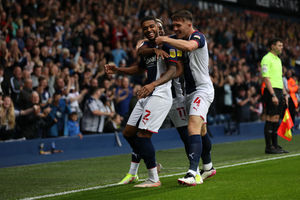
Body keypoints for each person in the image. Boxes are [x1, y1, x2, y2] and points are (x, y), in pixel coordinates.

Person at [121, 18, 215, 186]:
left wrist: (158, 44)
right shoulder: (162, 43)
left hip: (179, 95)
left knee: (191, 132)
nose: (173, 30)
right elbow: (142, 49)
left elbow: (176, 68)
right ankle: (206, 166)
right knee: (196, 130)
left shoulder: (179, 41)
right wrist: (144, 44)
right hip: (173, 96)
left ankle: (196, 170)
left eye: (157, 27)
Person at [105, 16, 177, 187]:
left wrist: (153, 84)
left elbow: (173, 70)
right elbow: (139, 64)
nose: (150, 30)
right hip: (147, 94)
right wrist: (118, 70)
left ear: (160, 28)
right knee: (128, 133)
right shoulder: (147, 46)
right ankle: (139, 171)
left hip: (160, 94)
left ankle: (153, 178)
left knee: (143, 136)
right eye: (146, 28)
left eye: (154, 26)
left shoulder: (169, 44)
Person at [156, 10, 215, 186]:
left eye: (178, 25)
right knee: (201, 131)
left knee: (193, 126)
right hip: (188, 93)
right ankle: (209, 167)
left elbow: (189, 47)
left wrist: (165, 39)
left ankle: (193, 173)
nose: (175, 29)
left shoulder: (198, 37)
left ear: (189, 24)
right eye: (173, 25)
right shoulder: (178, 38)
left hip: (202, 90)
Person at [261, 38, 289, 154]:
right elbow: (266, 78)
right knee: (270, 118)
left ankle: (275, 145)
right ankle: (269, 147)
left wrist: (284, 94)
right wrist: (273, 95)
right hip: (270, 91)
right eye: (279, 45)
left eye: (282, 45)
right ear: (272, 46)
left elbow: (280, 78)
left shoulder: (278, 59)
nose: (281, 47)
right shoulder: (266, 59)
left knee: (276, 119)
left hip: (279, 91)